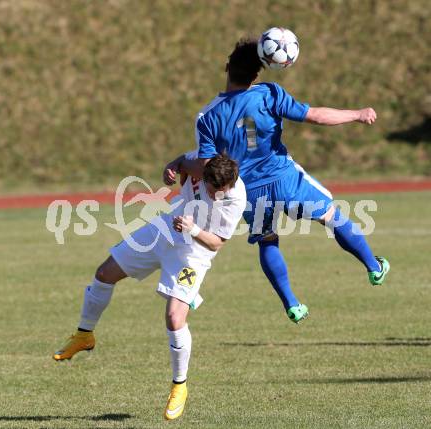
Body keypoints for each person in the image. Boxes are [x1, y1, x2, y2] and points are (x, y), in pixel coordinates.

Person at [163, 38, 389, 324]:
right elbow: (315, 116)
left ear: (226, 67)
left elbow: (207, 167)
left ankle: (292, 304)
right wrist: (357, 114)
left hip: (248, 191)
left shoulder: (208, 116)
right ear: (259, 73)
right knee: (331, 216)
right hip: (284, 178)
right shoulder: (269, 94)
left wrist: (181, 162)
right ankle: (373, 266)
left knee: (267, 241)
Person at [53, 152, 246, 420]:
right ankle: (84, 335)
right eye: (212, 190)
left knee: (174, 318)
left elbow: (217, 243)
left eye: (220, 191)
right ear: (204, 176)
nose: (215, 196)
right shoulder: (200, 165)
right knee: (104, 273)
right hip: (164, 230)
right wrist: (170, 167)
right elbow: (181, 162)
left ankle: (179, 386)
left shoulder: (235, 198)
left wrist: (193, 229)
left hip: (194, 253)